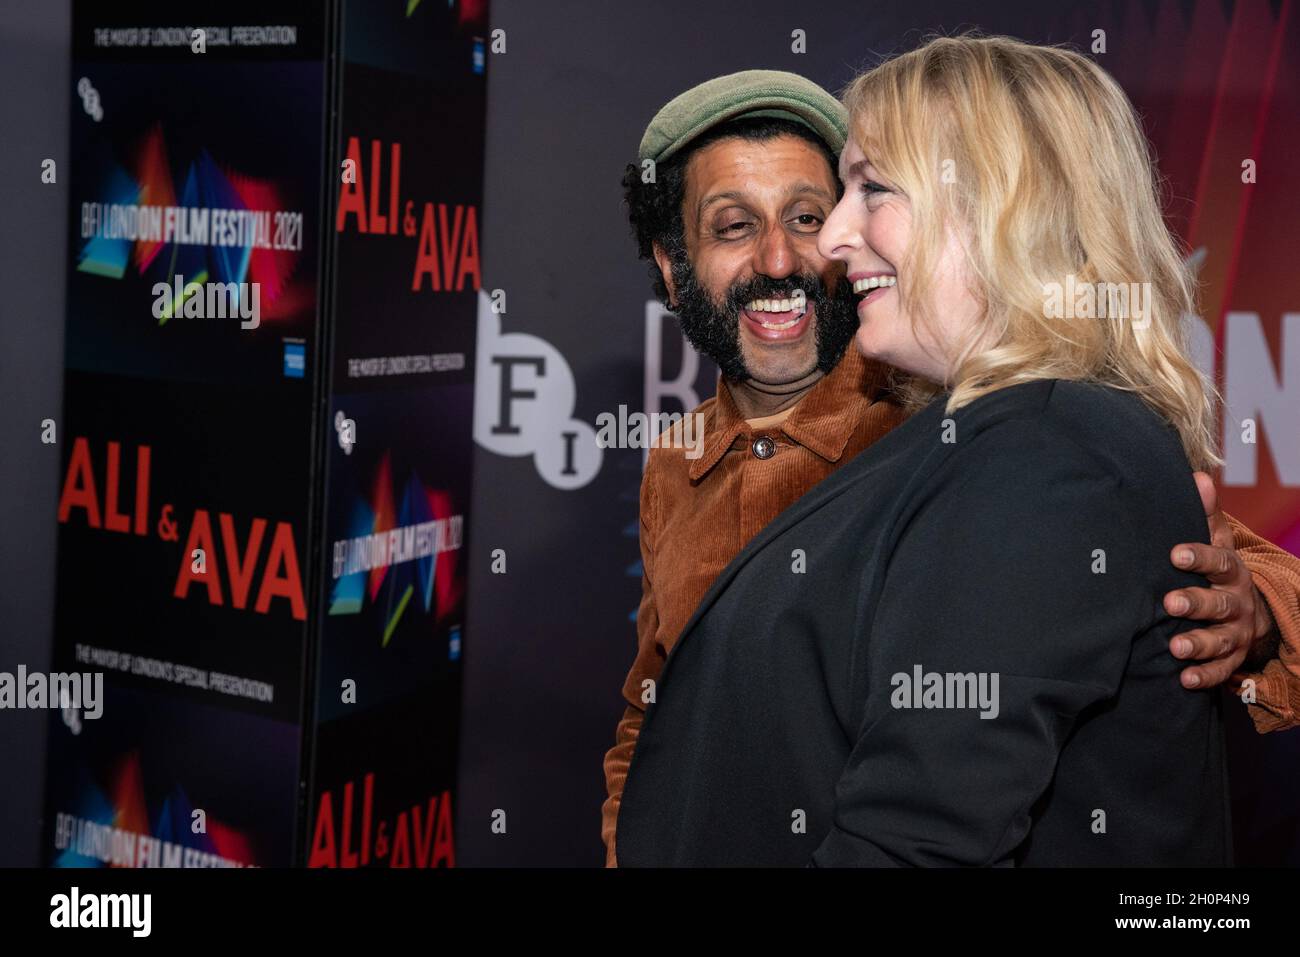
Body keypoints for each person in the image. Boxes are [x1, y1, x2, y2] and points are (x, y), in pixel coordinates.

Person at [603, 65, 1300, 866]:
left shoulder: (965, 423)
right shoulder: (674, 462)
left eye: (810, 213)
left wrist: (1251, 615)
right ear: (672, 264)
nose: (786, 256)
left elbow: (1192, 557)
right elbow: (658, 699)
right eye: (732, 227)